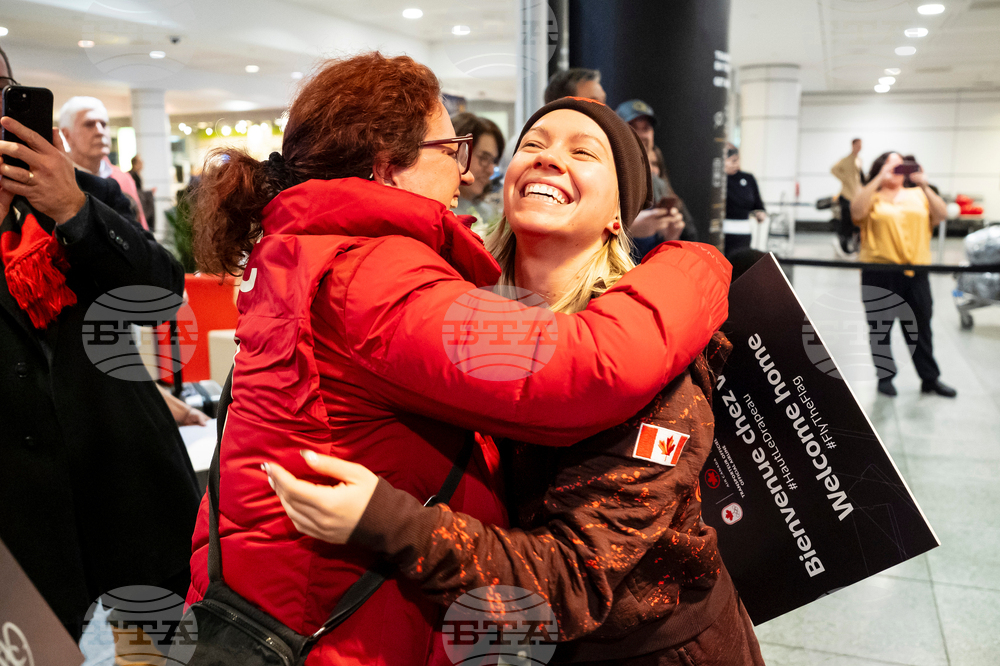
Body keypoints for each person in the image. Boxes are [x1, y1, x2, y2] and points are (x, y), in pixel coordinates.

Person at [187, 53, 730, 666]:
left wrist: (398, 524)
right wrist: (699, 264)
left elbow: (578, 577)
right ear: (390, 165)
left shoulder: (344, 258)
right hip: (334, 629)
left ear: (617, 215)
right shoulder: (379, 276)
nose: (468, 175)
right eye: (454, 149)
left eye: (584, 152)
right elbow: (595, 362)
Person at [0, 45, 200, 640]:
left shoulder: (78, 191)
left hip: (131, 493)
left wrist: (75, 211)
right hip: (24, 537)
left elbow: (161, 295)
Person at [851, 151, 956, 398]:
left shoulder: (918, 193)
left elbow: (941, 215)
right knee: (880, 327)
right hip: (879, 271)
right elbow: (856, 213)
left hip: (916, 271)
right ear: (880, 168)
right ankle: (884, 377)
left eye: (901, 166)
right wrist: (878, 179)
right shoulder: (872, 195)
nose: (896, 170)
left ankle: (930, 378)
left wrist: (924, 184)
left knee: (921, 327)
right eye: (890, 165)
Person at [615, 99, 695, 260]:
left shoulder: (657, 183)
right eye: (632, 128)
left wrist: (670, 238)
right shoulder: (604, 175)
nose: (642, 135)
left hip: (647, 278)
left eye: (646, 128)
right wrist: (626, 230)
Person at [59, 96, 148, 230]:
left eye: (104, 124)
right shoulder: (58, 180)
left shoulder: (123, 179)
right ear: (66, 135)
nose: (100, 131)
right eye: (89, 124)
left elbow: (141, 234)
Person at [451, 112, 505, 238]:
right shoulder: (435, 214)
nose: (491, 171)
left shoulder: (489, 214)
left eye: (493, 161)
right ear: (457, 153)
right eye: (484, 158)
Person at [723, 144, 766, 258]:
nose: (736, 164)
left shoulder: (748, 178)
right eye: (732, 161)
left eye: (737, 160)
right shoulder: (720, 181)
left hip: (744, 232)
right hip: (724, 233)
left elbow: (757, 202)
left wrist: (759, 212)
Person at [831, 138, 864, 257]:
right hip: (846, 195)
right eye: (857, 145)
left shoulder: (858, 160)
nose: (859, 147)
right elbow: (833, 169)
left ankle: (852, 246)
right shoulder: (846, 160)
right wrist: (845, 178)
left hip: (855, 195)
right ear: (853, 145)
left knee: (854, 223)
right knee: (846, 222)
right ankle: (844, 246)